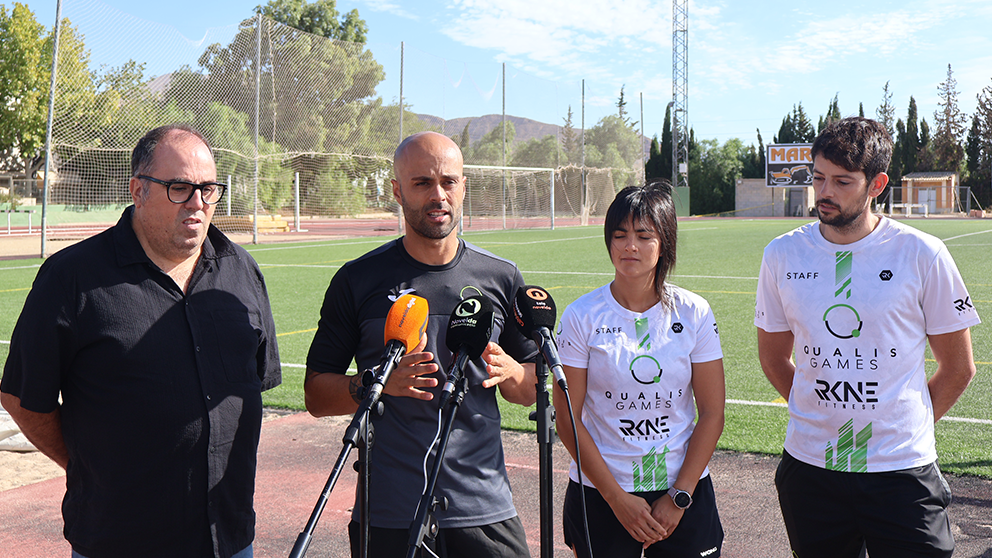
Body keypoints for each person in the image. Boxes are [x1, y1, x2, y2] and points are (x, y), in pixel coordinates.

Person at [0, 124, 282, 558]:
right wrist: (86, 467)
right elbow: (22, 397)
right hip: (119, 539)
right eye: (179, 188)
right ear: (138, 190)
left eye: (208, 189)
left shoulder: (241, 272)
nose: (197, 204)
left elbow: (252, 388)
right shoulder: (71, 279)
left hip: (227, 538)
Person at [304, 131, 538, 558]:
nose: (438, 195)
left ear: (464, 187)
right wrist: (376, 385)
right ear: (397, 191)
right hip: (389, 510)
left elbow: (531, 390)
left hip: (483, 506)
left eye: (449, 181)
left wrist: (517, 373)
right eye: (422, 183)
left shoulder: (502, 277)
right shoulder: (357, 280)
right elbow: (317, 394)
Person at [755, 117, 980, 558]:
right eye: (818, 178)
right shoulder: (781, 254)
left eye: (842, 181)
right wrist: (819, 410)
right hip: (811, 469)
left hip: (901, 471)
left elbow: (958, 368)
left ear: (876, 184)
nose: (825, 192)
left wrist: (900, 424)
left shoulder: (923, 254)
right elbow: (773, 358)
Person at [554, 181, 726, 558]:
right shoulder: (581, 316)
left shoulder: (693, 312)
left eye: (643, 235)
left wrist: (679, 496)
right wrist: (616, 499)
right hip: (600, 492)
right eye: (620, 235)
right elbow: (567, 417)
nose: (629, 246)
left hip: (682, 490)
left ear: (664, 241)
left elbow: (712, 413)